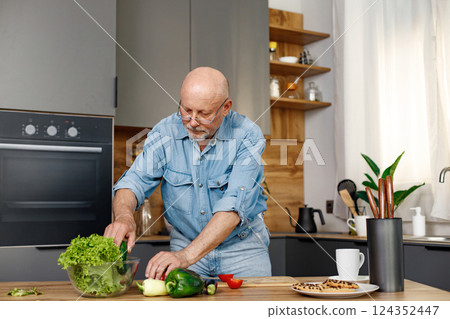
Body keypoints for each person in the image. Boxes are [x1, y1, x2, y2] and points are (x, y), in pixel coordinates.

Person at [104, 67, 271, 279]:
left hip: (242, 249)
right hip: (186, 242)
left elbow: (233, 208)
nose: (192, 122)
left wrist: (185, 257)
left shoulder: (247, 135)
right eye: (186, 110)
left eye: (204, 114)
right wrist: (124, 216)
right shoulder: (165, 132)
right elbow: (134, 181)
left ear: (226, 107)